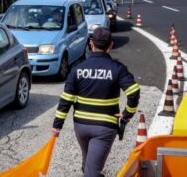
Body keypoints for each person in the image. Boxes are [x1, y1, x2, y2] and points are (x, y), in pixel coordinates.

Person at [51, 27, 140, 177]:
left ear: (91, 44)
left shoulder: (78, 68)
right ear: (110, 45)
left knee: (88, 166)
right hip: (104, 128)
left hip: (81, 126)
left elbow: (66, 99)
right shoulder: (117, 68)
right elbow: (133, 92)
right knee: (91, 171)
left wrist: (57, 125)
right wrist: (127, 114)